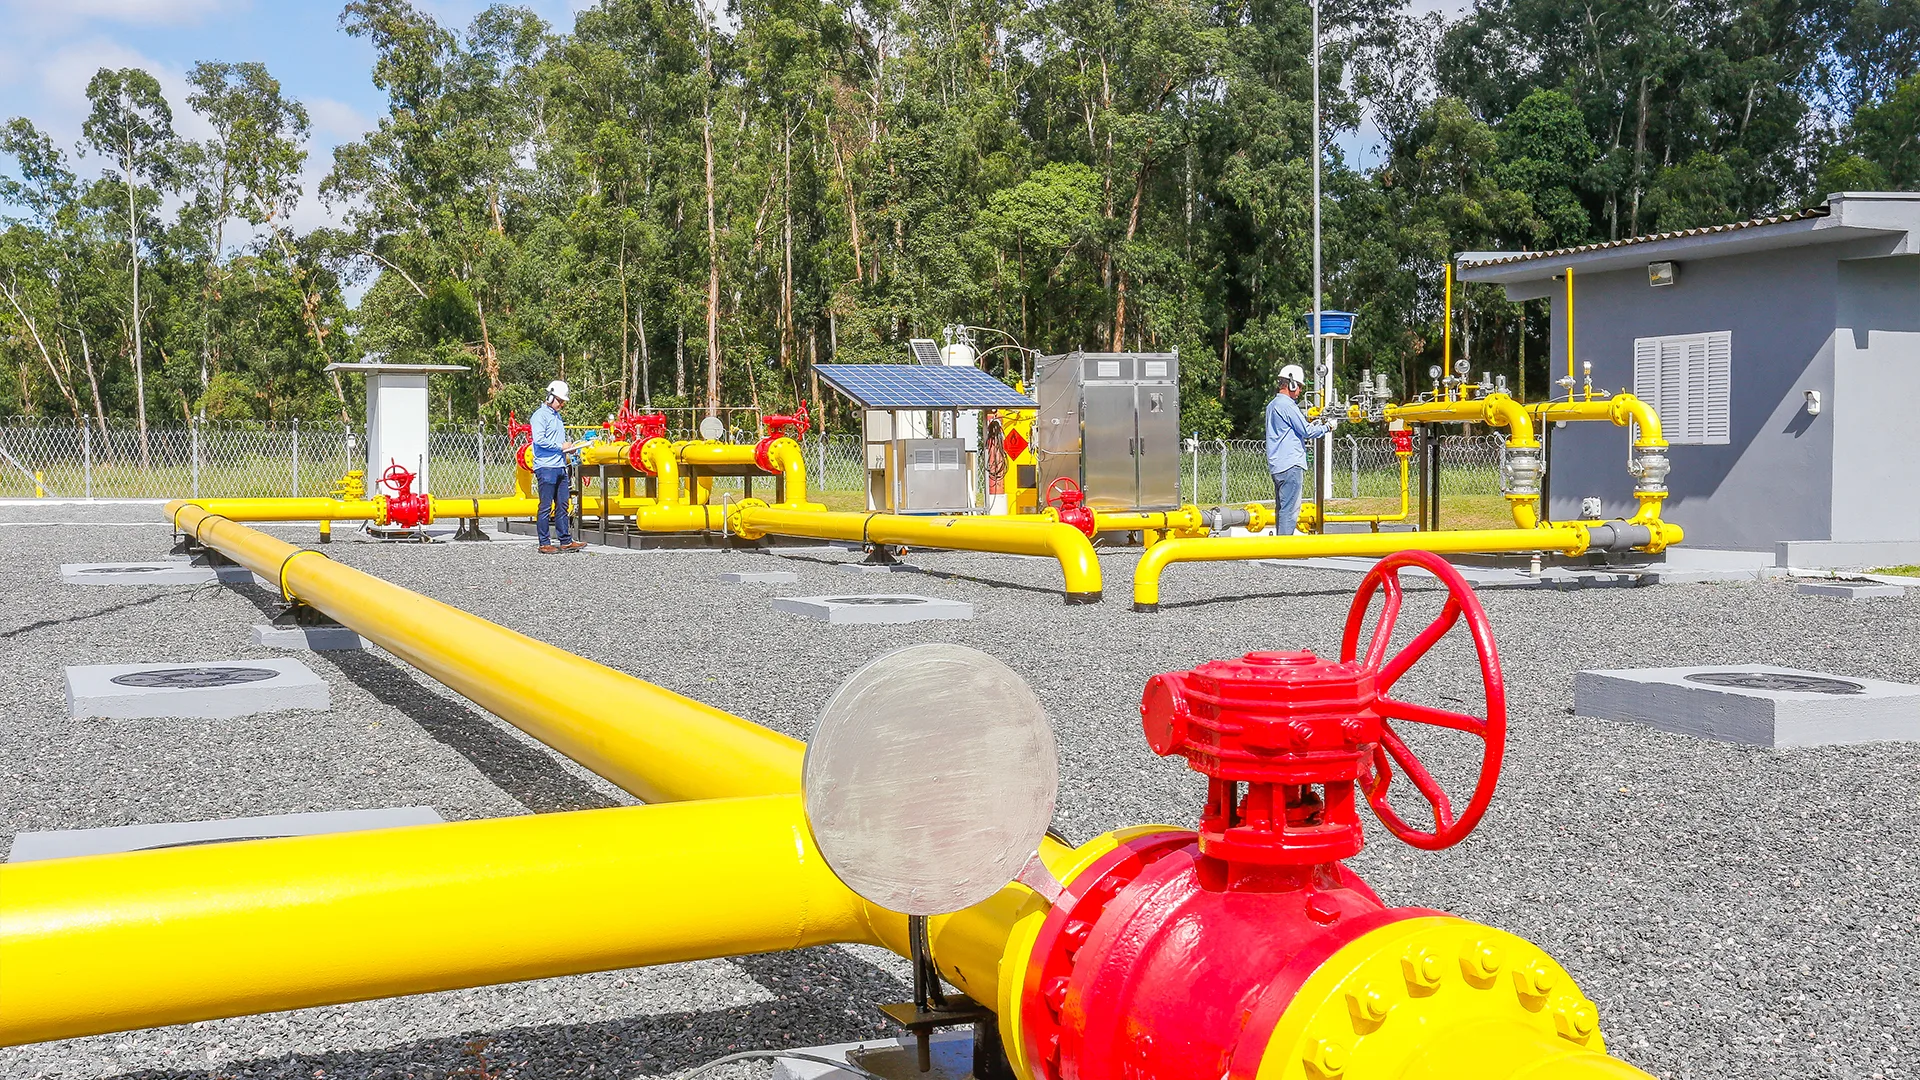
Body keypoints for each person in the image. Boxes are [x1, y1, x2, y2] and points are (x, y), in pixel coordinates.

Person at [1265, 363, 1337, 536]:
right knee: (1290, 509)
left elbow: (1296, 428)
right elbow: (1307, 431)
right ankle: (1285, 549)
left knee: (1282, 507)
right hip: (1291, 464)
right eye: (1299, 388)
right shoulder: (1288, 405)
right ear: (1291, 384)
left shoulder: (1272, 405)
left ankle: (1279, 545)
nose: (1299, 392)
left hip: (1277, 464)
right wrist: (1328, 427)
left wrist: (1314, 424)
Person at [531, 380, 588, 554]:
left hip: (560, 467)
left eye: (563, 401)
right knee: (546, 506)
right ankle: (544, 543)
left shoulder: (557, 416)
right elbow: (539, 440)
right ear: (550, 397)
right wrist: (561, 446)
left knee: (563, 505)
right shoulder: (540, 416)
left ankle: (565, 540)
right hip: (546, 467)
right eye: (560, 401)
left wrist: (569, 450)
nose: (562, 404)